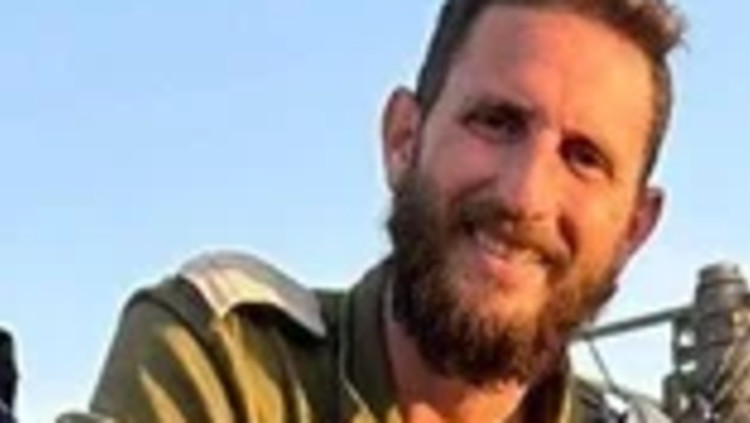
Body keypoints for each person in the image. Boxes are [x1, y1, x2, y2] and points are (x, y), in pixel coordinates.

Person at [64, 0, 686, 421]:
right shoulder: (226, 361)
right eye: (497, 122)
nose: (525, 196)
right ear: (403, 140)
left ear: (633, 230)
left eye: (584, 158)